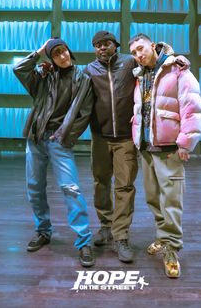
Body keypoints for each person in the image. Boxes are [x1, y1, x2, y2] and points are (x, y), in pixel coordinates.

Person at [13, 37, 95, 267]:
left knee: (71, 189)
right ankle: (43, 231)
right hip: (36, 138)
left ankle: (83, 240)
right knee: (34, 188)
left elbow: (84, 114)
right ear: (51, 57)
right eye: (56, 53)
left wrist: (63, 136)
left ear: (70, 51)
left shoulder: (83, 79)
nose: (62, 56)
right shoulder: (43, 77)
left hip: (59, 141)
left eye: (64, 51)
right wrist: (39, 51)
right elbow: (18, 69)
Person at [129, 33, 201, 278]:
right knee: (153, 199)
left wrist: (185, 143)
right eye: (134, 53)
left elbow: (192, 108)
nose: (138, 55)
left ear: (153, 45)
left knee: (171, 201)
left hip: (170, 148)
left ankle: (172, 248)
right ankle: (163, 237)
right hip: (147, 148)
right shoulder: (141, 76)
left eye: (141, 49)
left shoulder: (178, 70)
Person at [84, 31, 138, 263]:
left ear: (115, 45)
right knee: (101, 182)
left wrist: (174, 58)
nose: (101, 48)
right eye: (97, 45)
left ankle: (121, 235)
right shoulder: (89, 70)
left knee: (124, 186)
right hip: (100, 137)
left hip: (126, 138)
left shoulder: (129, 63)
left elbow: (154, 62)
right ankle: (105, 225)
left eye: (105, 44)